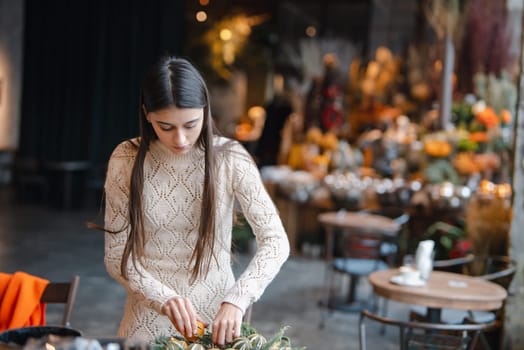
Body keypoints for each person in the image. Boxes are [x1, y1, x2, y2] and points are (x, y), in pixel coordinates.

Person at [97, 56, 290, 345]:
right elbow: (116, 256)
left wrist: (237, 299)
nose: (181, 139)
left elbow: (276, 241)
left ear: (205, 111)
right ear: (147, 114)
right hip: (145, 325)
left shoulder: (230, 157)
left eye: (191, 124)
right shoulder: (126, 158)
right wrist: (162, 298)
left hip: (218, 324)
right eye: (166, 126)